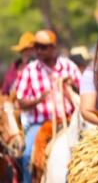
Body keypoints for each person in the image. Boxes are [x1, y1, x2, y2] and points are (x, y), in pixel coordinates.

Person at [15, 30, 81, 183]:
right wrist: (38, 100)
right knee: (26, 155)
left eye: (43, 47)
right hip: (40, 124)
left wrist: (73, 86)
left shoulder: (68, 67)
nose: (39, 51)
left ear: (53, 47)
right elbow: (20, 101)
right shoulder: (30, 70)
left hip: (70, 121)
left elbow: (86, 93)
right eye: (36, 47)